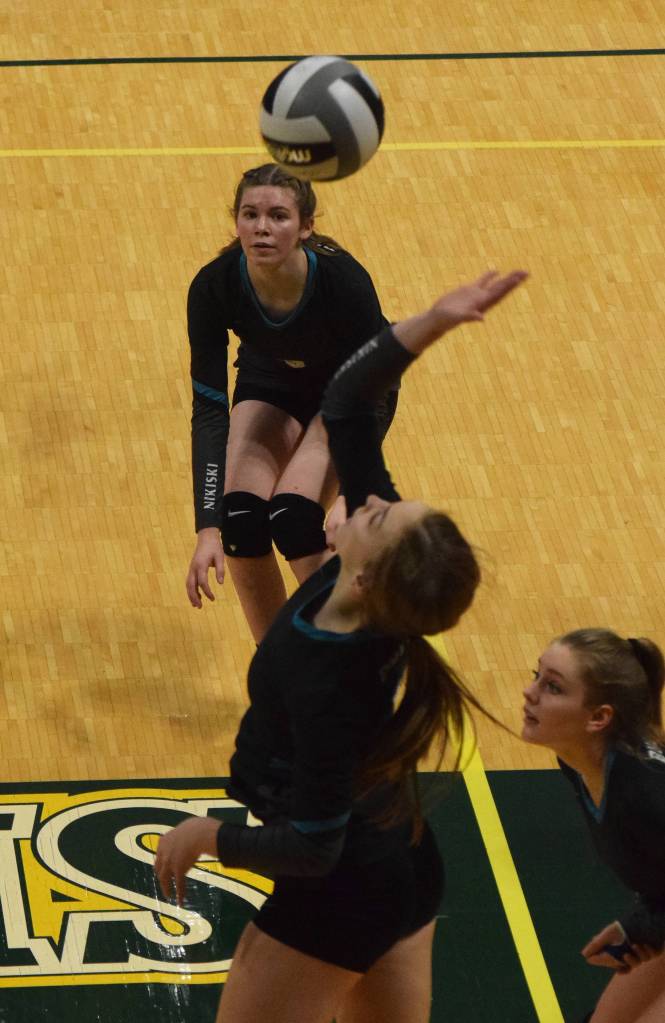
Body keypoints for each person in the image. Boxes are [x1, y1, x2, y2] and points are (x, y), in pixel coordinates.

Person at [156, 268, 527, 1023]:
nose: (373, 500)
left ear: (363, 570)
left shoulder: (333, 678)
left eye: (382, 514)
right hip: (401, 862)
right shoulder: (372, 597)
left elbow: (313, 844)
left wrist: (210, 835)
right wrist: (431, 321)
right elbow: (349, 399)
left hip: (341, 893)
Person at [186, 162, 398, 642]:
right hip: (271, 379)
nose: (262, 227)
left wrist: (350, 496)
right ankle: (278, 668)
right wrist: (207, 529)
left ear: (306, 227)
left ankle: (359, 647)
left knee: (295, 518)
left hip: (348, 392)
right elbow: (209, 411)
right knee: (238, 519)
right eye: (250, 214)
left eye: (278, 216)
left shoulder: (345, 283)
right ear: (236, 221)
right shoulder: (213, 287)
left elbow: (373, 391)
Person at [522, 628, 665, 1023]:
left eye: (553, 687)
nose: (529, 693)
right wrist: (639, 929)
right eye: (536, 675)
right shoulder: (580, 766)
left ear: (599, 717)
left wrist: (648, 927)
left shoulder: (645, 795)